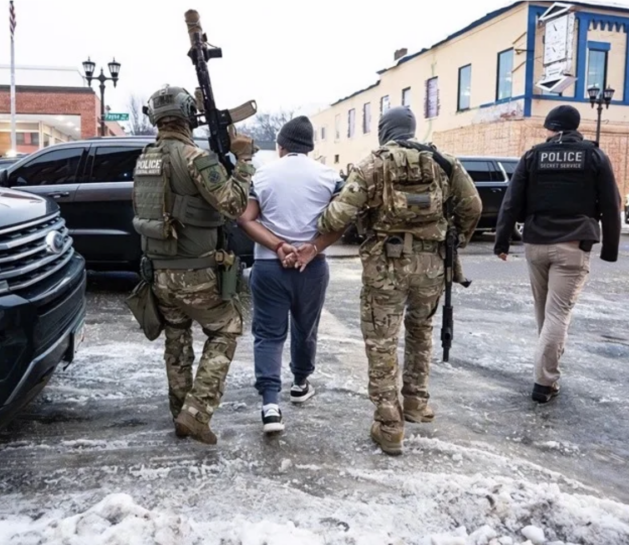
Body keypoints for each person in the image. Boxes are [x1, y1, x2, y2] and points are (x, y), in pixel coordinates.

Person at [316, 106, 482, 455]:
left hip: (385, 266)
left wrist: (325, 215)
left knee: (382, 342)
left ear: (384, 130)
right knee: (421, 331)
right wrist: (453, 239)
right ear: (412, 128)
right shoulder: (444, 163)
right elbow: (473, 207)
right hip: (431, 264)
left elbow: (336, 218)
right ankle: (417, 403)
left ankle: (390, 425)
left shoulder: (371, 165)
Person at [131, 85, 255, 445]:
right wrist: (243, 162)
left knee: (176, 336)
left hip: (159, 272)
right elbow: (234, 205)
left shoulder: (145, 159)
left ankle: (180, 412)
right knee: (227, 328)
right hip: (196, 272)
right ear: (188, 115)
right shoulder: (194, 158)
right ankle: (196, 412)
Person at [493, 104, 621, 404]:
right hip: (573, 245)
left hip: (536, 244)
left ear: (551, 128)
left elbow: (511, 201)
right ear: (575, 127)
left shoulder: (533, 155)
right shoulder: (594, 156)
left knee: (544, 312)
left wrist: (502, 241)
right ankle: (544, 382)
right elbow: (611, 204)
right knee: (558, 313)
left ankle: (545, 372)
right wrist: (610, 250)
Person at [236, 116, 342, 434]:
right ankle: (299, 383)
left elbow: (246, 219)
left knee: (268, 335)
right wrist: (313, 247)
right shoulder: (329, 176)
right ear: (310, 147)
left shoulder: (262, 175)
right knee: (305, 328)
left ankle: (270, 405)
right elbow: (343, 220)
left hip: (270, 266)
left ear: (280, 146)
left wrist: (279, 245)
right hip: (313, 266)